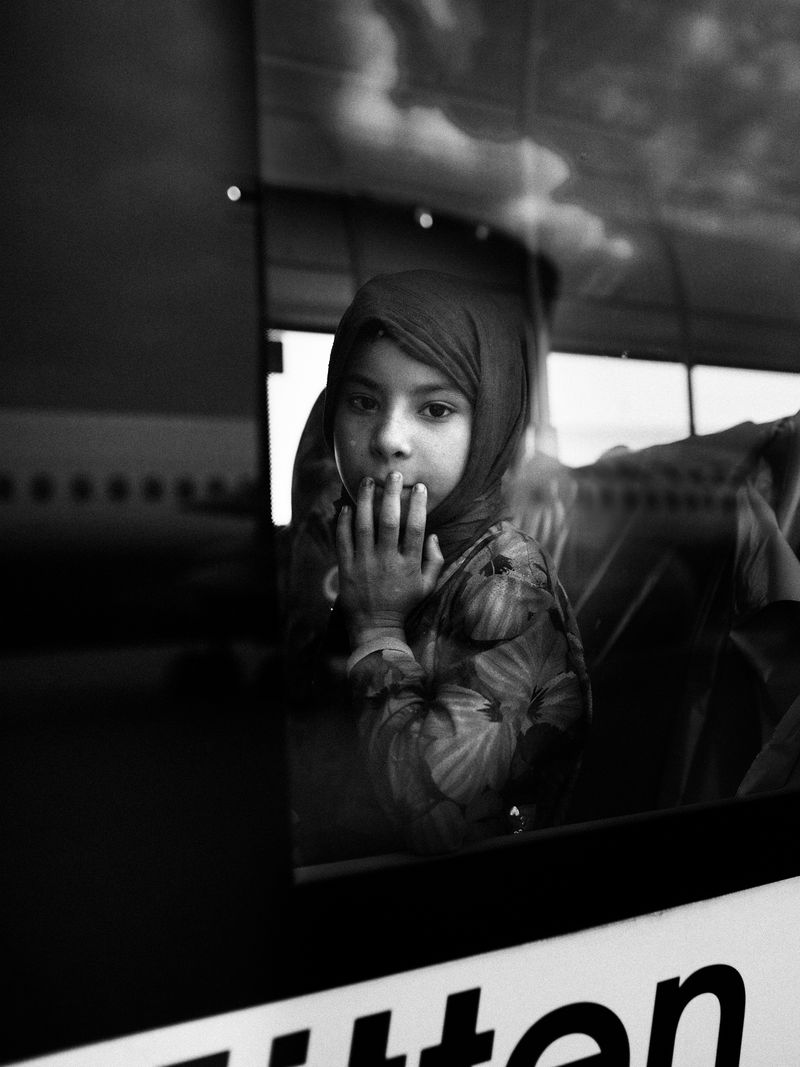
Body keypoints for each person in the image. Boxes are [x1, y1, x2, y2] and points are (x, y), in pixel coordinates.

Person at [292, 269, 590, 859]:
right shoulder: (360, 539)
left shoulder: (508, 581)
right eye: (362, 401)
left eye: (434, 409)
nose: (388, 438)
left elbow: (439, 815)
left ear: (490, 426)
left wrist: (377, 629)